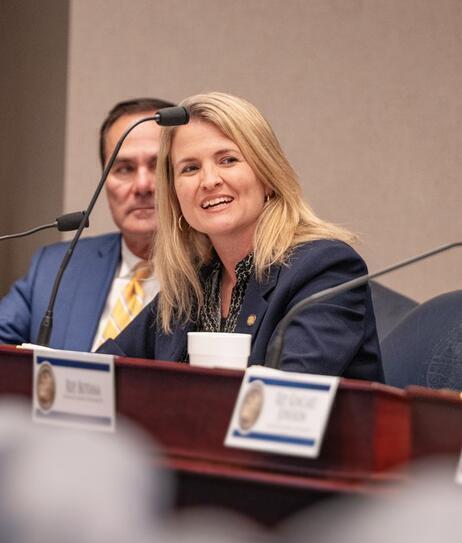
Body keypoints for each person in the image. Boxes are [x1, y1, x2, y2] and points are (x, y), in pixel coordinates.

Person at [99, 92, 383, 380]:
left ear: (268, 176)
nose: (209, 181)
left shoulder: (325, 268)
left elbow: (283, 397)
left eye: (228, 160)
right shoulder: (192, 286)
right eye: (190, 168)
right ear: (174, 195)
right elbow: (101, 373)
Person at [0, 97, 174, 351]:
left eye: (157, 166)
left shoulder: (217, 277)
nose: (142, 186)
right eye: (124, 169)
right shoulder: (55, 267)